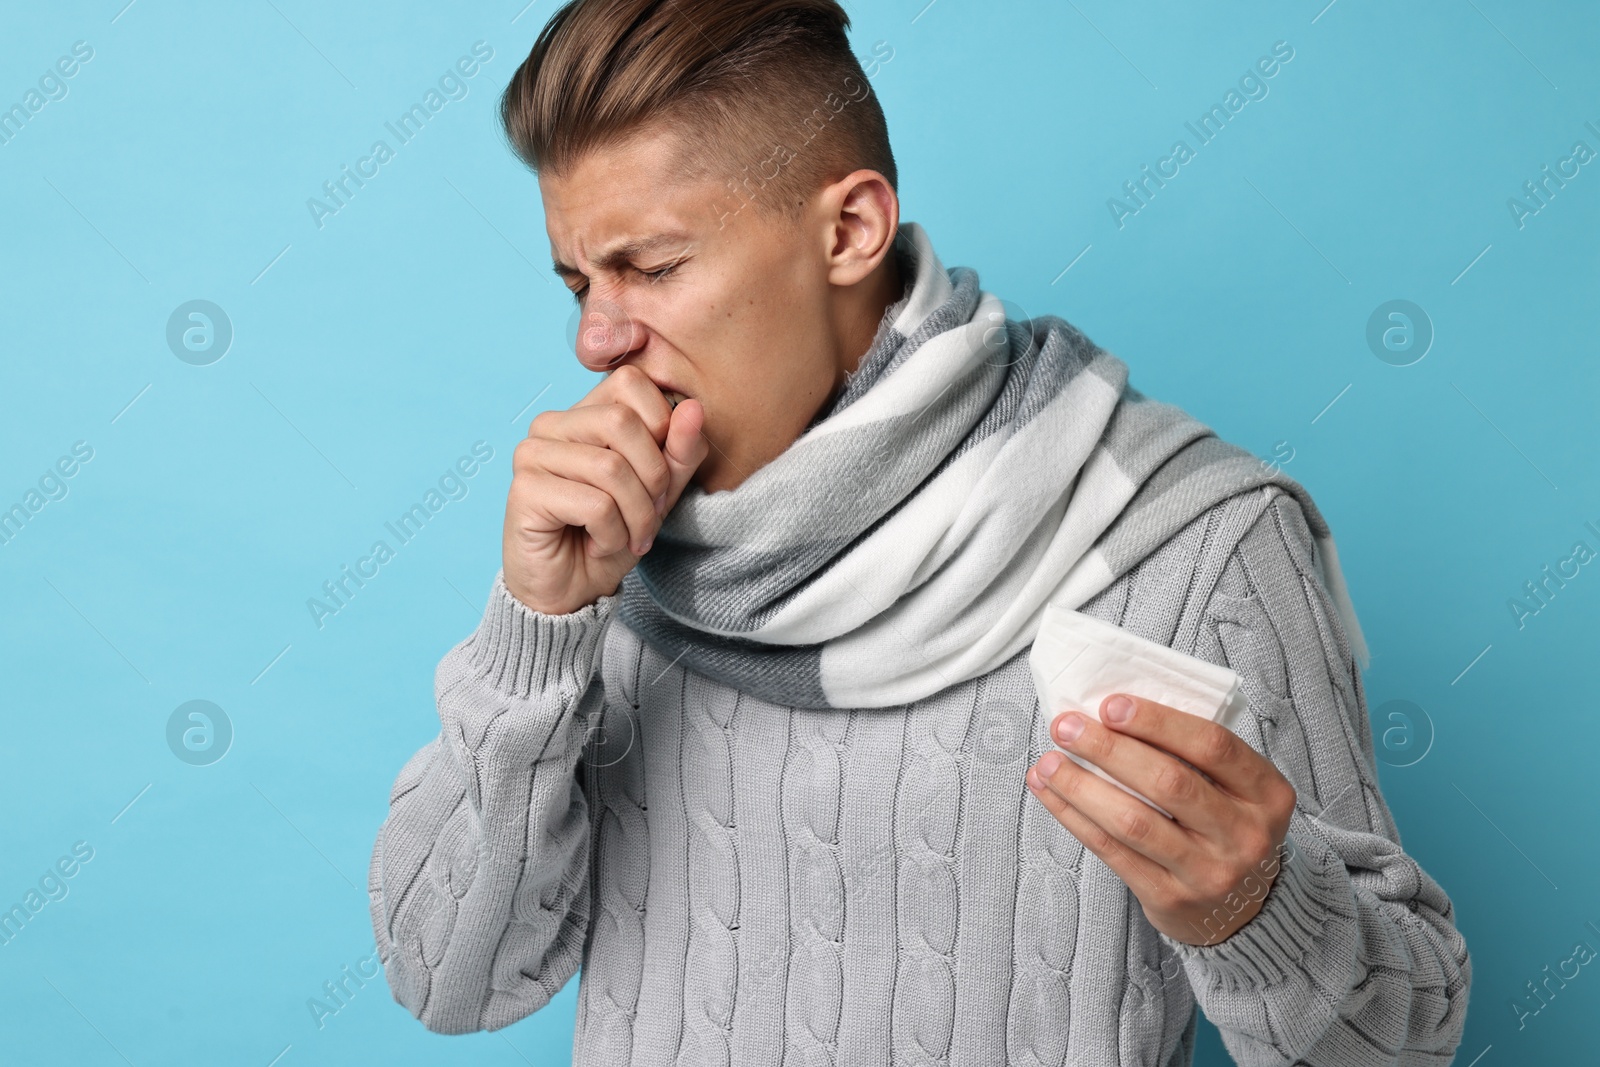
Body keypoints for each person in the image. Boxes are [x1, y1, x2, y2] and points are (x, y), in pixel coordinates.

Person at [366, 1, 1472, 1063]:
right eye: (577, 282)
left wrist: (1259, 906)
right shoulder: (604, 558)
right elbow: (446, 979)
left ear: (850, 229)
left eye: (651, 268)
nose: (597, 338)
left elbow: (1399, 1048)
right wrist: (537, 627)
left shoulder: (1193, 541)